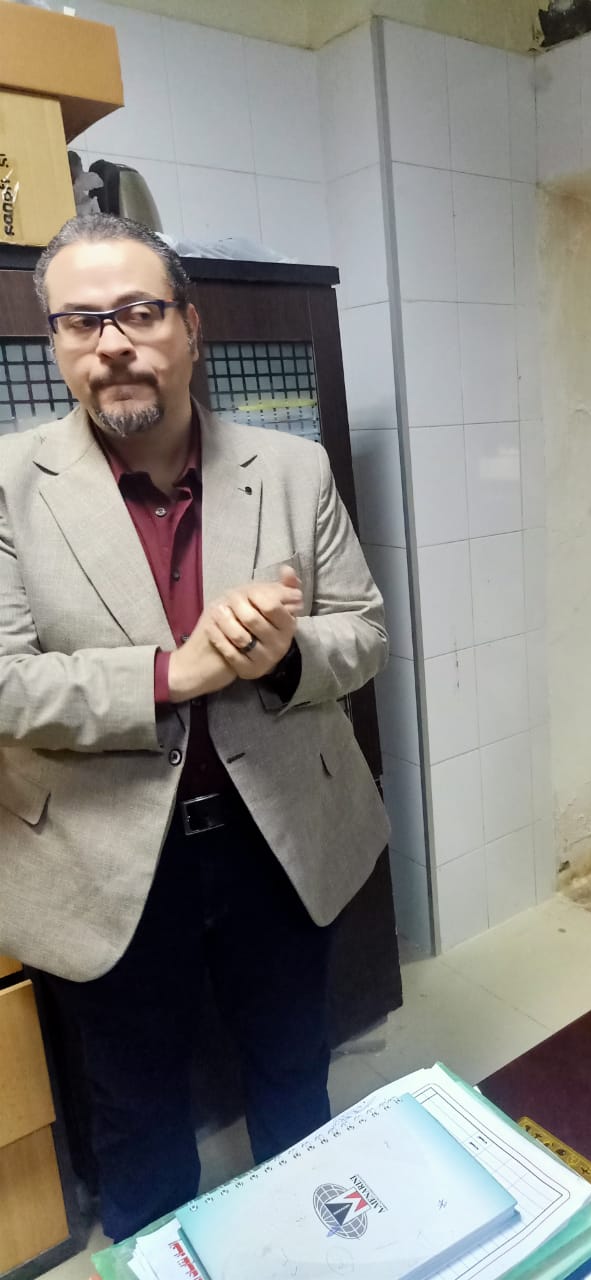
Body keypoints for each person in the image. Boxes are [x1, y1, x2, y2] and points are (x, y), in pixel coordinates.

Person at [0, 214, 390, 1238]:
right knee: (138, 1127)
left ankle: (315, 1250)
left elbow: (365, 631)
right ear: (56, 342)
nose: (113, 344)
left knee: (295, 1081)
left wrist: (287, 655)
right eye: (81, 322)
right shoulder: (8, 485)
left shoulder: (291, 468)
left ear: (189, 325)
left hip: (280, 839)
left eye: (139, 312)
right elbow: (4, 685)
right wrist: (177, 672)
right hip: (103, 858)